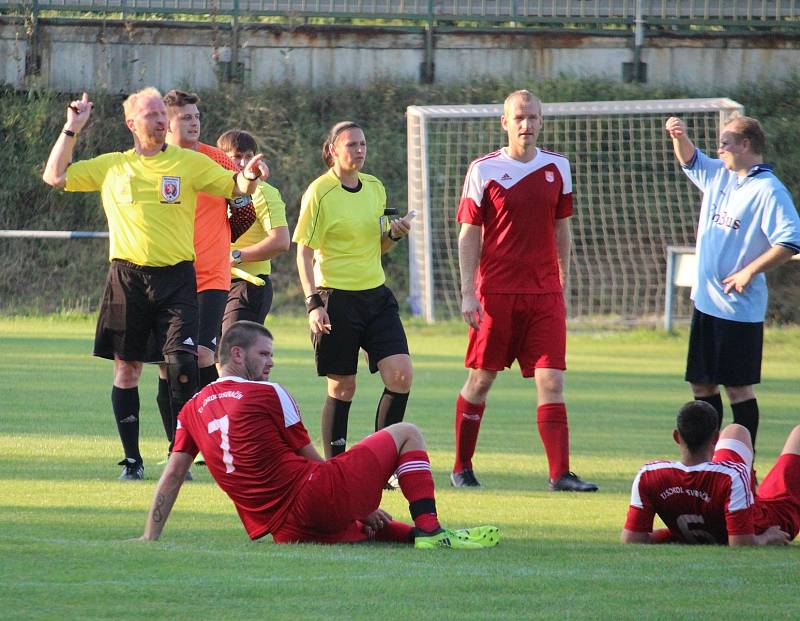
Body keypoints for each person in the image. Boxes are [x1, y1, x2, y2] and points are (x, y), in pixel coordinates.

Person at [42, 89, 268, 480]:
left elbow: (236, 187)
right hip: (127, 278)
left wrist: (248, 177)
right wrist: (71, 129)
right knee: (127, 370)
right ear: (132, 123)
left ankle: (180, 455)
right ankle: (132, 461)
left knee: (182, 364)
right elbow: (55, 176)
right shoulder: (113, 166)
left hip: (178, 278)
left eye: (163, 114)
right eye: (151, 115)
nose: (161, 121)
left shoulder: (188, 163)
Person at [138, 320, 500, 549]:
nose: (271, 362)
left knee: (359, 524)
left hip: (285, 529)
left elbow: (173, 475)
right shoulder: (269, 393)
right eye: (263, 353)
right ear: (236, 353)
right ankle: (431, 529)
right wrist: (360, 500)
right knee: (406, 432)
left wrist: (149, 537)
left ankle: (415, 536)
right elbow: (311, 459)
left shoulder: (190, 410)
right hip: (313, 498)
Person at [451, 89, 597, 492]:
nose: (526, 125)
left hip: (544, 294)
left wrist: (562, 277)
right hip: (495, 293)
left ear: (541, 121)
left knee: (551, 380)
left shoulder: (558, 167)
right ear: (504, 122)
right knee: (481, 380)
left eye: (532, 118)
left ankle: (560, 474)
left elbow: (561, 227)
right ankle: (462, 466)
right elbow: (469, 234)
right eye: (519, 117)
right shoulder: (484, 169)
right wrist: (468, 292)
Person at [665, 116, 800, 449]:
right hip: (707, 304)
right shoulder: (719, 175)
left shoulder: (768, 189)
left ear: (746, 144)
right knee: (701, 386)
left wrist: (749, 271)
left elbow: (791, 239)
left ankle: (742, 463)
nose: (720, 147)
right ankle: (709, 460)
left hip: (738, 310)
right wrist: (678, 136)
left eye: (726, 141)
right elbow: (690, 159)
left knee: (738, 389)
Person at [293, 121, 414, 464]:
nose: (359, 151)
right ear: (332, 150)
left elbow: (380, 248)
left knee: (401, 375)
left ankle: (383, 463)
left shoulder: (375, 187)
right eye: (351, 145)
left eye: (363, 144)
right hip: (335, 299)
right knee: (343, 386)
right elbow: (302, 251)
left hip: (376, 297)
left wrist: (395, 234)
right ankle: (337, 469)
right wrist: (313, 303)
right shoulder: (320, 192)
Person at [621, 400, 799, 546]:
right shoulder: (731, 474)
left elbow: (632, 540)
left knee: (736, 431)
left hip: (718, 503)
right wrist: (768, 537)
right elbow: (741, 543)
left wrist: (675, 535)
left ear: (676, 437)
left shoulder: (648, 474)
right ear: (715, 438)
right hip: (765, 522)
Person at [216, 129, 290, 334]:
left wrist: (237, 256)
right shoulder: (213, 190)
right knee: (210, 360)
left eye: (249, 157)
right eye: (237, 157)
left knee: (235, 358)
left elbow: (281, 241)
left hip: (247, 285)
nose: (244, 163)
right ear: (220, 159)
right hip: (214, 285)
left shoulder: (263, 192)